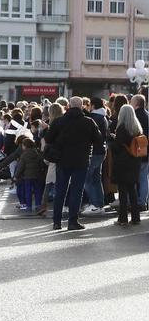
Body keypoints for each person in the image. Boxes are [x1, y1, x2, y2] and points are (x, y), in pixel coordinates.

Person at [44, 97, 102, 231]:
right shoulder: (88, 122)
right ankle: (72, 222)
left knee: (60, 191)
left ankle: (57, 222)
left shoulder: (59, 121)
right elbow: (98, 139)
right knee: (77, 192)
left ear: (69, 106)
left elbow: (48, 138)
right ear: (82, 107)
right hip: (81, 161)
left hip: (62, 160)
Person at [111, 105, 143, 226]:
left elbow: (117, 147)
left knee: (122, 191)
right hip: (135, 161)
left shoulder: (121, 128)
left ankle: (123, 218)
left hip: (123, 162)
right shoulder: (137, 128)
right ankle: (136, 217)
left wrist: (114, 139)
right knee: (132, 189)